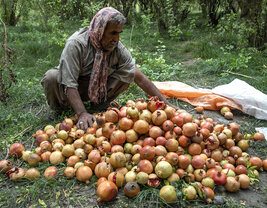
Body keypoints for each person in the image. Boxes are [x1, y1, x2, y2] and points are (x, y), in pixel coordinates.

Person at [41, 7, 176, 130]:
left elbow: (138, 77)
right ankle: (61, 109)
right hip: (73, 88)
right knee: (52, 77)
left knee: (128, 72)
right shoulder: (76, 44)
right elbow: (69, 82)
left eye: (118, 33)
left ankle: (99, 105)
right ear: (100, 30)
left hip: (97, 88)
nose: (116, 39)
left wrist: (166, 105)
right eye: (112, 33)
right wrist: (82, 114)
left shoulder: (117, 48)